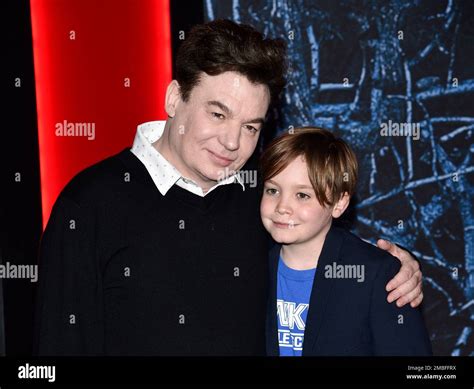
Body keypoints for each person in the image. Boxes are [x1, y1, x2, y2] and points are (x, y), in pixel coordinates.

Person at [34, 19, 423, 356]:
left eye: (250, 126)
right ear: (174, 98)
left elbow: (321, 252)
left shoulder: (263, 199)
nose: (233, 142)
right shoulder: (89, 203)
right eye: (218, 114)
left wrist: (394, 269)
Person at [261, 127, 432, 356]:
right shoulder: (251, 262)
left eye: (302, 195)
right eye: (272, 190)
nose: (282, 207)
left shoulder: (377, 275)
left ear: (339, 204)